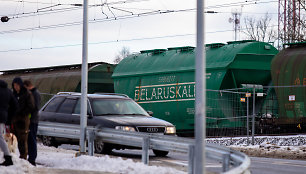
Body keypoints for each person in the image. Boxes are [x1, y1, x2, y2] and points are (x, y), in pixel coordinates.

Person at [11, 77, 35, 160]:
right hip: (14, 120)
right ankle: (13, 157)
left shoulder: (27, 94)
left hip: (23, 120)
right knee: (13, 139)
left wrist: (23, 113)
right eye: (14, 85)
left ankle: (23, 157)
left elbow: (31, 106)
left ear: (20, 85)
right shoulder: (13, 94)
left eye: (17, 85)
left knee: (22, 140)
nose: (16, 87)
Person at [0, 79, 18, 166]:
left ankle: (8, 158)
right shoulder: (8, 91)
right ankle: (8, 157)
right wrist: (9, 115)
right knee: (0, 137)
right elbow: (15, 105)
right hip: (3, 117)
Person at [24, 80, 41, 166]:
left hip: (33, 120)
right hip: (31, 119)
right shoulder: (33, 93)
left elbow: (36, 107)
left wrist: (29, 116)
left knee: (32, 139)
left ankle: (32, 159)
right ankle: (30, 157)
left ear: (27, 86)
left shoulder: (35, 94)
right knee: (29, 139)